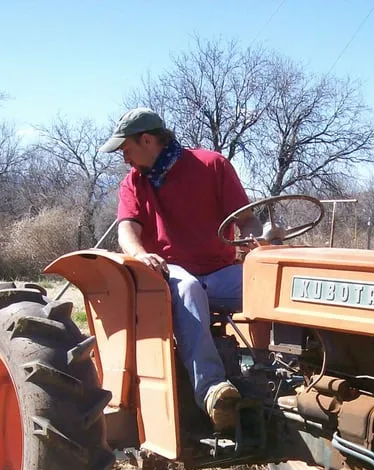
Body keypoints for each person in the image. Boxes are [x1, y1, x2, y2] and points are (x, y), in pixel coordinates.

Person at [100, 107, 261, 432]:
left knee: (269, 285)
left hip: (219, 272)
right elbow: (127, 230)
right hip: (169, 273)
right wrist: (141, 254)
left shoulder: (211, 165)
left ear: (147, 140)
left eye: (126, 149)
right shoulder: (134, 183)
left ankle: (278, 377)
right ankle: (213, 392)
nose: (125, 158)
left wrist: (257, 242)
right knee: (188, 289)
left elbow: (247, 219)